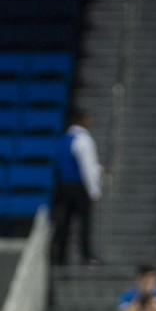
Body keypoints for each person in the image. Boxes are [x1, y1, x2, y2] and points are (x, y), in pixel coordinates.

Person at [51, 108, 102, 266]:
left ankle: (60, 257)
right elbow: (88, 168)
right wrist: (94, 192)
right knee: (84, 222)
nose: (91, 122)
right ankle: (86, 256)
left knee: (64, 222)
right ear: (82, 120)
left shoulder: (65, 138)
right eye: (89, 118)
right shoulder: (83, 139)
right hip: (79, 187)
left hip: (63, 186)